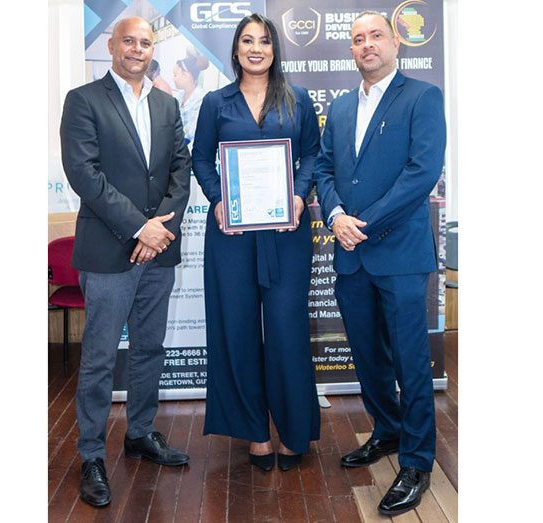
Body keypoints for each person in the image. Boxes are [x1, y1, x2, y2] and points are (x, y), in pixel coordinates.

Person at [313, 11, 446, 516]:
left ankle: (416, 461)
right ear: (351, 49)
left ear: (395, 44)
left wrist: (360, 220)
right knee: (368, 358)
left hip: (399, 255)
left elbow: (421, 173)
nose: (366, 45)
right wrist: (337, 213)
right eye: (357, 39)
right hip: (351, 255)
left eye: (375, 37)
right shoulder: (343, 106)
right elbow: (324, 166)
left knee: (411, 363)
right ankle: (387, 432)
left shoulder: (422, 97)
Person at [59, 16, 192, 508]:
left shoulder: (166, 104)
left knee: (149, 348)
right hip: (111, 250)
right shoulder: (84, 100)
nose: (136, 49)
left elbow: (181, 169)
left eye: (145, 42)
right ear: (112, 46)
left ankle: (139, 432)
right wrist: (141, 227)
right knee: (98, 358)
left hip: (158, 250)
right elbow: (84, 174)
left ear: (153, 48)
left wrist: (158, 229)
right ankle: (92, 453)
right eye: (128, 41)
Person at [192, 13, 321, 473]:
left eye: (264, 41)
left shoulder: (298, 99)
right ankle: (254, 433)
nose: (256, 48)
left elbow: (312, 156)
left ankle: (293, 430)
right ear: (236, 49)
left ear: (274, 49)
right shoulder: (215, 102)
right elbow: (201, 160)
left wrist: (299, 196)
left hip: (286, 235)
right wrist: (217, 199)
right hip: (232, 235)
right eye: (247, 40)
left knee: (286, 332)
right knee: (238, 330)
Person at [172, 47, 208, 148]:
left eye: (175, 75)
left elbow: (193, 133)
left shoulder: (202, 99)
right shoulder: (179, 96)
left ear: (186, 75)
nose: (173, 79)